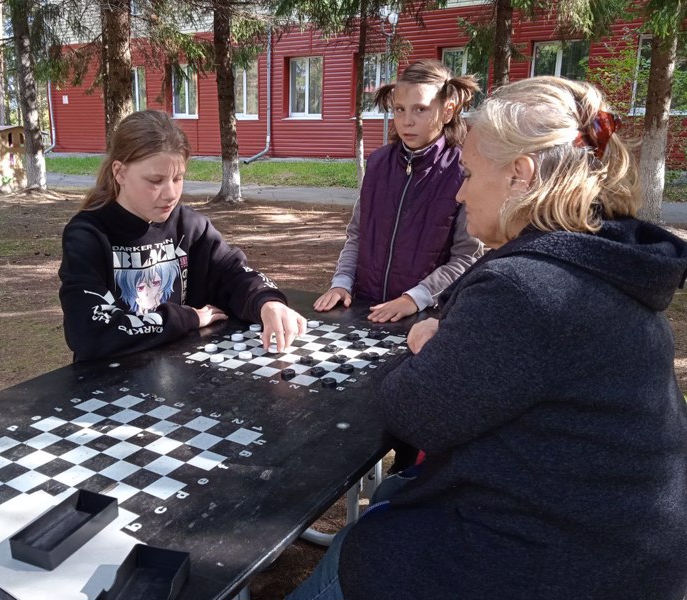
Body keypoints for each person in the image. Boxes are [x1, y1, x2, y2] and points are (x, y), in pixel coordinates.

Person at [288, 77, 687, 600]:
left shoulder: (525, 288)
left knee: (358, 550)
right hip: (616, 545)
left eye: (470, 173)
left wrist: (426, 344)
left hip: (558, 565)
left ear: (520, 176)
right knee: (394, 491)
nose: (458, 190)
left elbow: (413, 413)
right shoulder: (604, 260)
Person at [58, 110, 306, 362]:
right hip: (106, 388)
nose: (170, 194)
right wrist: (188, 317)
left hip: (177, 379)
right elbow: (89, 331)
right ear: (119, 172)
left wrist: (266, 301)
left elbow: (233, 273)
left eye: (178, 178)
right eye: (155, 180)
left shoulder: (189, 226)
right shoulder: (87, 235)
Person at [313, 59, 483, 323]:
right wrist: (342, 282)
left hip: (425, 318)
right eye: (400, 109)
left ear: (448, 111)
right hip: (365, 309)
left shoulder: (462, 172)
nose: (407, 121)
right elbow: (357, 235)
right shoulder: (379, 163)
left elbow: (466, 258)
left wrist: (415, 298)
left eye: (420, 109)